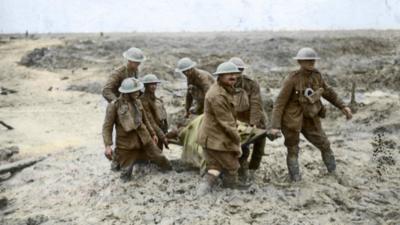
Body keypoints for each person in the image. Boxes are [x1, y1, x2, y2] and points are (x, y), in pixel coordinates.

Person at [269, 47, 352, 181]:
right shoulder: (292, 79)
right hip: (292, 120)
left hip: (311, 118)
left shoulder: (317, 76)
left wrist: (343, 106)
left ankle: (333, 173)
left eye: (313, 60)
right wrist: (275, 126)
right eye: (307, 60)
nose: (311, 62)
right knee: (293, 149)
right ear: (300, 62)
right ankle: (295, 179)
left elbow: (328, 92)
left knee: (325, 144)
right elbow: (279, 103)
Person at [102, 78, 172, 181]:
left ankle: (171, 175)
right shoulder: (114, 106)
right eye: (134, 91)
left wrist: (153, 134)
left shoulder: (138, 102)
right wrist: (108, 146)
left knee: (161, 159)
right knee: (125, 174)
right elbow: (107, 127)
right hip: (126, 145)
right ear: (126, 93)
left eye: (138, 90)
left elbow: (145, 120)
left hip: (145, 139)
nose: (137, 93)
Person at [197, 61, 249, 195]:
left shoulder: (224, 89)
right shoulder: (217, 95)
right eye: (228, 74)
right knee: (233, 166)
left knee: (215, 167)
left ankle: (201, 192)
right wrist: (237, 143)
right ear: (220, 76)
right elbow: (227, 123)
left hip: (211, 136)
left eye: (234, 74)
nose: (233, 77)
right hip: (216, 138)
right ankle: (230, 190)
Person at [229, 57, 267, 180]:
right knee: (242, 149)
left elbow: (256, 104)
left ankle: (253, 171)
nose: (237, 74)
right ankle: (242, 174)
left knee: (259, 148)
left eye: (240, 71)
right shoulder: (225, 84)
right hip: (238, 120)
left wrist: (253, 124)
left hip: (256, 119)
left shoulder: (251, 84)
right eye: (234, 71)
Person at [140, 74, 169, 150]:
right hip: (151, 131)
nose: (154, 86)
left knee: (159, 150)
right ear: (146, 86)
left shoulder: (157, 99)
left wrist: (165, 131)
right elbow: (150, 121)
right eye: (151, 84)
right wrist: (162, 136)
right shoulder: (143, 100)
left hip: (160, 129)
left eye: (155, 84)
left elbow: (163, 117)